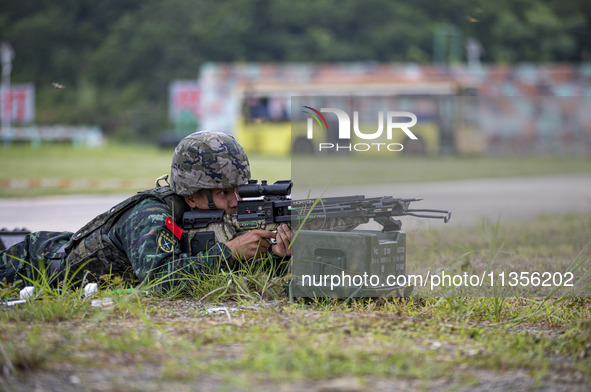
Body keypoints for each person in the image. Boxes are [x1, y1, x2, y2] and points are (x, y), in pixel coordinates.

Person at [0, 131, 292, 288]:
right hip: (27, 265)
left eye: (238, 190)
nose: (235, 201)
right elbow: (160, 279)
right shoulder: (150, 215)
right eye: (224, 193)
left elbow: (213, 270)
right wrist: (230, 250)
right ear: (191, 197)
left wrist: (276, 257)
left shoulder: (202, 216)